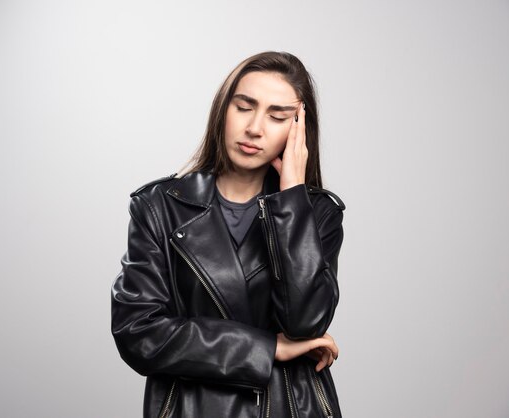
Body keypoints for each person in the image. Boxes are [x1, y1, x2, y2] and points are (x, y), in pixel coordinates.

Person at [111, 51, 346, 418]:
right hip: (191, 407)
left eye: (277, 116)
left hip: (288, 406)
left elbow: (305, 323)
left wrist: (292, 200)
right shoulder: (159, 206)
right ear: (223, 110)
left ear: (298, 128)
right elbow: (139, 333)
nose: (255, 128)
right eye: (244, 107)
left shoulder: (317, 214)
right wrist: (268, 348)